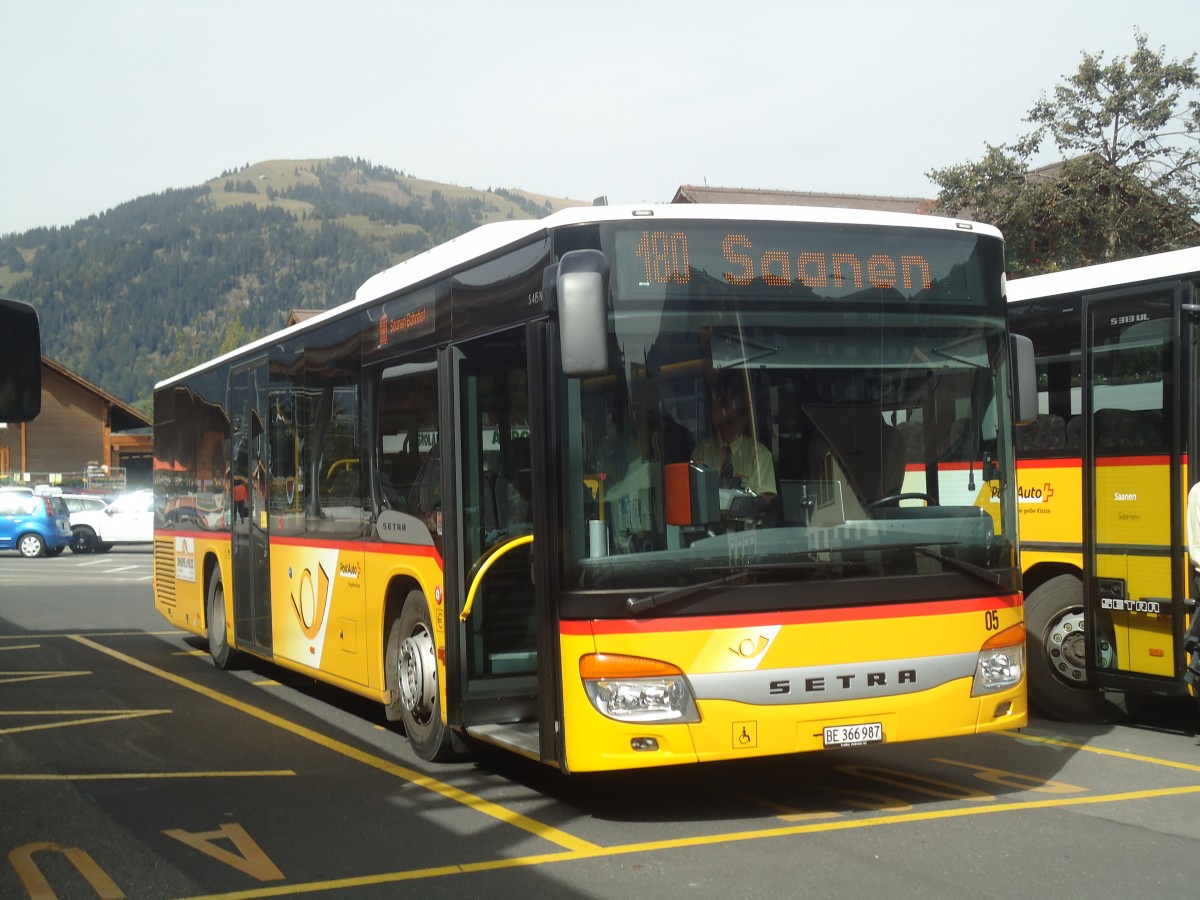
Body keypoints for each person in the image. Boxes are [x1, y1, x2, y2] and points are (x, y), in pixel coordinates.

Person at [692, 371, 776, 499]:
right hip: (707, 519)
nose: (723, 428)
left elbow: (765, 499)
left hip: (746, 519)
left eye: (729, 423)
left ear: (743, 421)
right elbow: (691, 492)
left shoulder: (760, 455)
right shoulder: (702, 450)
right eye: (720, 423)